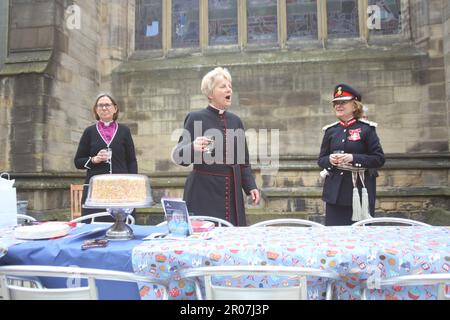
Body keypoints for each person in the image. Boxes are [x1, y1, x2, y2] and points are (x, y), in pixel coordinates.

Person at [171, 67, 260, 226]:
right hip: (203, 192)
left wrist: (250, 186)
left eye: (230, 86)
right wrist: (193, 147)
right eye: (223, 86)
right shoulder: (195, 118)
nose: (229, 90)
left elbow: (243, 161)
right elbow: (179, 156)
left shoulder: (235, 121)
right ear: (210, 94)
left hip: (232, 192)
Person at [318, 84, 385, 226]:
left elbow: (379, 159)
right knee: (334, 235)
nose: (338, 106)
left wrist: (353, 158)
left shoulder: (367, 129)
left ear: (355, 106)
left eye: (343, 102)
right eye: (336, 103)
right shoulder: (330, 131)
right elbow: (321, 160)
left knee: (360, 236)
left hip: (360, 193)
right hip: (335, 193)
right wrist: (329, 160)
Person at [74, 93, 138, 220]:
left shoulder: (124, 131)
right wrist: (94, 159)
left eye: (107, 105)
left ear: (115, 108)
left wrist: (133, 185)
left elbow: (131, 160)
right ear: (96, 110)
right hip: (97, 189)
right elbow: (78, 161)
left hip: (121, 187)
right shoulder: (89, 131)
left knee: (121, 223)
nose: (104, 108)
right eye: (100, 105)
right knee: (95, 225)